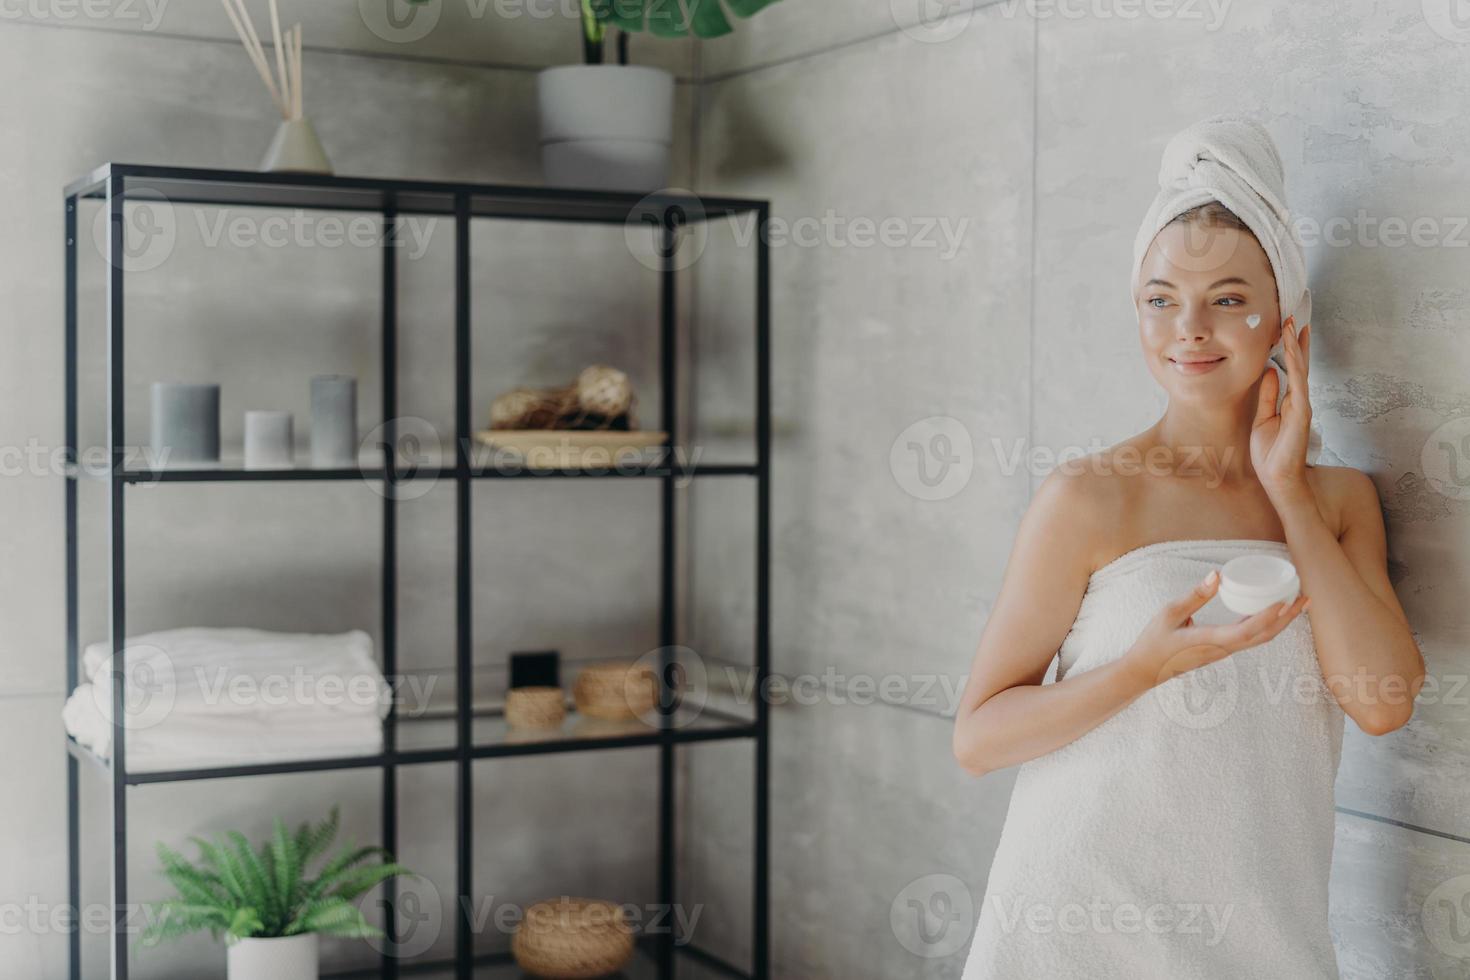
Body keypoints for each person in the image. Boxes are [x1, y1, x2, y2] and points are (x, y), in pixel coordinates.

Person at [952, 116, 1425, 979]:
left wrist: (1288, 492)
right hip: (1071, 925)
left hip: (1263, 934)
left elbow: (1384, 701)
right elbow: (979, 739)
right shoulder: (1086, 498)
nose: (1189, 329)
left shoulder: (1337, 501)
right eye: (1161, 299)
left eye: (1230, 299)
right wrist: (1142, 667)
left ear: (1288, 321)